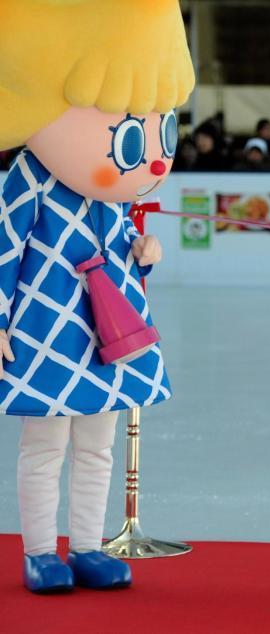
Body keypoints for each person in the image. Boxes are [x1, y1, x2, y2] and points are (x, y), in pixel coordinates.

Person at [0, 0, 193, 594]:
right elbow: (5, 247)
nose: (156, 155)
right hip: (45, 328)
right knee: (45, 442)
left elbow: (116, 246)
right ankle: (39, 551)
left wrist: (142, 252)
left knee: (98, 443)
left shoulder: (111, 199)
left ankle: (85, 543)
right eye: (134, 135)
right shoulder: (28, 177)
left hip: (108, 334)